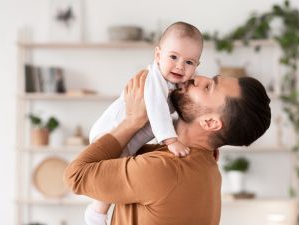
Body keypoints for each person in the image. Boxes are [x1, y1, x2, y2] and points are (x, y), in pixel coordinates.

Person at [64, 69, 271, 225]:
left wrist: (133, 120)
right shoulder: (206, 168)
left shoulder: (165, 170)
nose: (197, 78)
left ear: (210, 123)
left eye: (208, 87)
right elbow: (121, 157)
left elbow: (76, 176)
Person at [85, 21, 203, 225]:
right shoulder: (154, 79)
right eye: (173, 57)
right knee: (115, 175)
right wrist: (171, 140)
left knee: (119, 174)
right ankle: (96, 213)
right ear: (158, 55)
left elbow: (177, 110)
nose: (180, 66)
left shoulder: (173, 84)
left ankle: (99, 211)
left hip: (129, 139)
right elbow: (158, 110)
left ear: (196, 66)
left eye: (189, 62)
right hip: (112, 131)